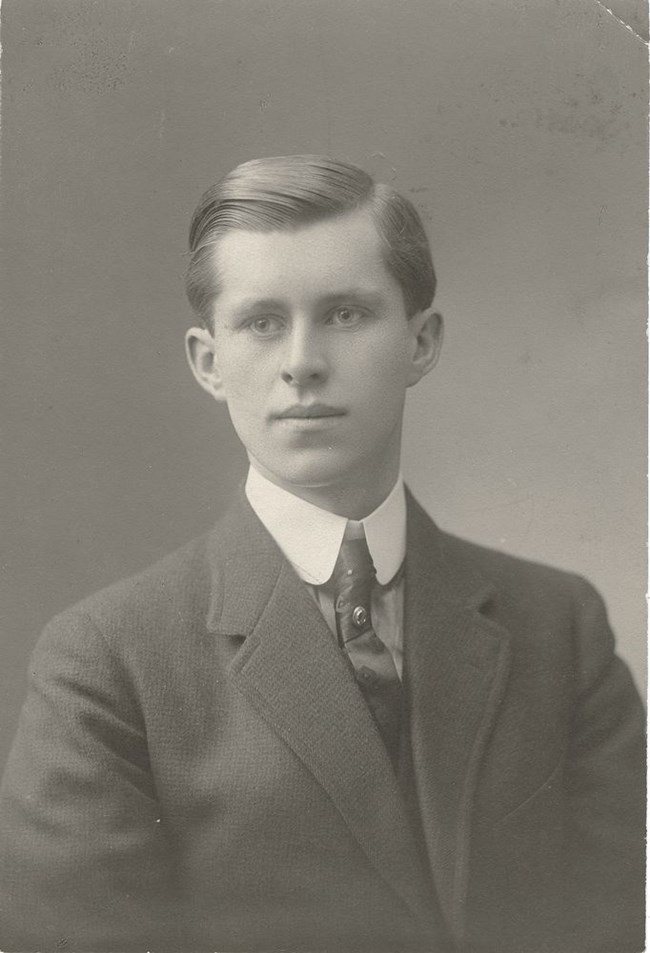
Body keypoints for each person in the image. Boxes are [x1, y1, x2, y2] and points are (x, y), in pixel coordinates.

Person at [0, 155, 644, 953]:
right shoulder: (106, 662)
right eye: (263, 322)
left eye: (344, 314)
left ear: (422, 341)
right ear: (208, 361)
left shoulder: (560, 626)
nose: (301, 361)